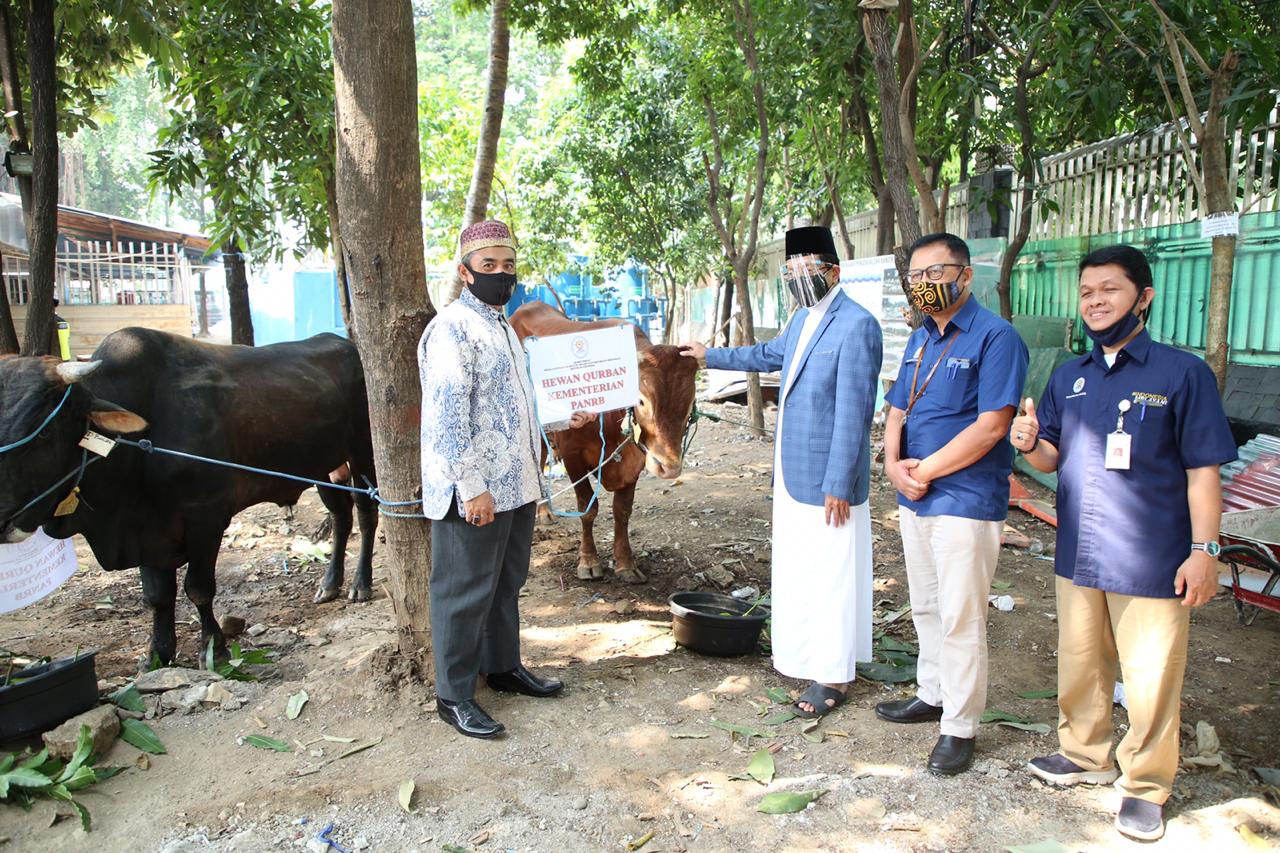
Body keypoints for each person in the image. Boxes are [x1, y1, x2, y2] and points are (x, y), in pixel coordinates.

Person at [1011, 245, 1237, 841]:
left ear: (1144, 296)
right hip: (1080, 549)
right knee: (1081, 662)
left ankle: (1145, 785)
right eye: (1086, 292)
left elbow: (1203, 470)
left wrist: (1205, 551)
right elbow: (1051, 457)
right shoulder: (1071, 376)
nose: (1095, 301)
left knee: (1152, 674)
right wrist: (1028, 440)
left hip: (1153, 555)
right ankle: (1085, 754)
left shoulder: (1181, 373)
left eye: (1109, 289)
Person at [681, 225, 882, 718]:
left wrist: (840, 481)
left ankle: (834, 677)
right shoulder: (803, 318)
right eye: (790, 271)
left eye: (805, 269)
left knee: (832, 573)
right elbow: (767, 355)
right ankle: (810, 656)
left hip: (827, 480)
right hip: (792, 472)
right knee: (804, 571)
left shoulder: (857, 324)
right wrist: (710, 356)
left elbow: (855, 412)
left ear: (833, 271)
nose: (796, 278)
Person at [418, 219, 594, 739]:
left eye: (508, 265)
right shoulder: (453, 328)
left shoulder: (501, 326)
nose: (501, 274)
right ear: (465, 271)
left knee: (505, 584)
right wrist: (471, 486)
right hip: (475, 489)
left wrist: (563, 419)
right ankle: (453, 695)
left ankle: (503, 668)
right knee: (463, 589)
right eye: (489, 266)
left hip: (518, 482)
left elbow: (517, 404)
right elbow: (446, 419)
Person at [877, 232, 1029, 776]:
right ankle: (932, 694)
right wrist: (894, 466)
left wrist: (926, 472)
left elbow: (992, 427)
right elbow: (896, 409)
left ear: (965, 275)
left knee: (962, 616)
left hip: (964, 498)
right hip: (915, 496)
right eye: (916, 277)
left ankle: (960, 727)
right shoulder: (922, 339)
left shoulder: (996, 338)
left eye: (935, 273)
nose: (925, 285)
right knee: (926, 606)